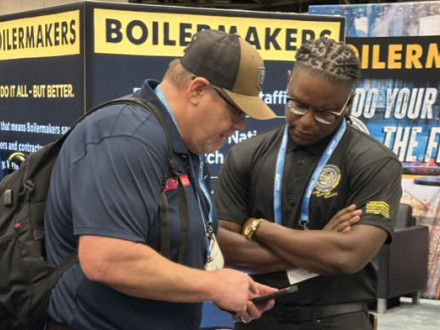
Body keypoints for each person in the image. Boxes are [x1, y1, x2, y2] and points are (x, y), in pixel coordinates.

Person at [44, 29, 279, 330]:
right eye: (235, 111)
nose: (241, 124)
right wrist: (211, 285)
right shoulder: (127, 137)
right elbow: (107, 259)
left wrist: (228, 288)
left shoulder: (181, 145)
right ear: (197, 90)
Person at [214, 36, 402, 330]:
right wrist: (318, 245)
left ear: (348, 104)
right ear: (289, 82)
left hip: (338, 318)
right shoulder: (246, 155)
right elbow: (224, 247)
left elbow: (349, 255)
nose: (306, 121)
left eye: (325, 113)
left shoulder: (375, 162)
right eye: (297, 105)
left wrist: (260, 228)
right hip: (261, 316)